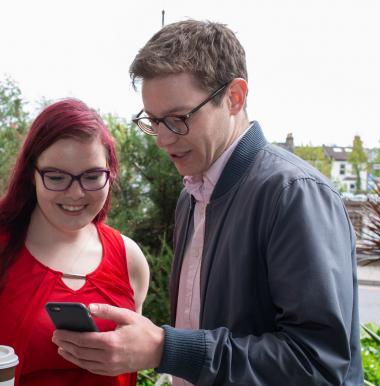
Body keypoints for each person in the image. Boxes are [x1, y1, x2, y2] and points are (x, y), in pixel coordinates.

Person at [52, 20, 363, 385]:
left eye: (179, 119)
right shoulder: (191, 197)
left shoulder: (293, 194)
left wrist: (166, 349)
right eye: (154, 121)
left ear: (234, 97)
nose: (163, 139)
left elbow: (317, 365)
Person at [0, 99, 150, 386]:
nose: (76, 193)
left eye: (92, 176)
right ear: (31, 175)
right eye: (57, 177)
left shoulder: (129, 258)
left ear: (110, 173)